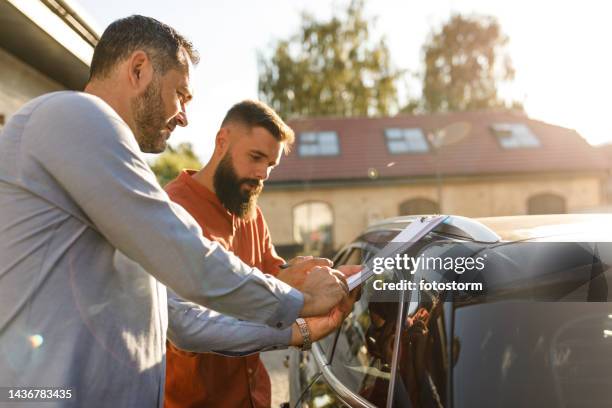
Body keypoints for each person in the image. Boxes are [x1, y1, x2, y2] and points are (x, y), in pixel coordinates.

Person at [0, 15, 348, 407]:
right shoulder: (73, 116)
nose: (184, 115)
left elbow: (182, 321)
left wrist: (293, 332)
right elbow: (190, 258)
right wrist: (298, 302)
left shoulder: (107, 175)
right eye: (181, 94)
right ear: (138, 69)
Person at [162, 100, 357, 408]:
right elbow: (191, 322)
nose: (262, 174)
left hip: (255, 398)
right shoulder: (172, 211)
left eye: (270, 165)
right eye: (255, 157)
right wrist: (298, 308)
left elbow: (273, 277)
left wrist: (321, 277)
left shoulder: (249, 210)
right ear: (222, 140)